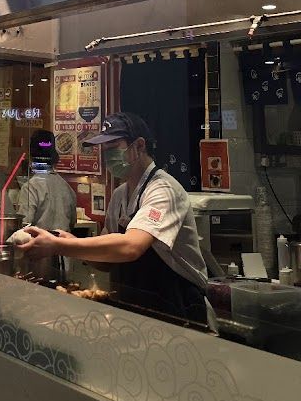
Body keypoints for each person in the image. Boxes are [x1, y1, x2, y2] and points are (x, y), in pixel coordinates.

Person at [23, 112, 208, 324]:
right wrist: (72, 243)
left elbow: (131, 246)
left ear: (138, 146)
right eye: (104, 149)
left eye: (113, 147)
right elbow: (106, 263)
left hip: (177, 310)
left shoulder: (163, 189)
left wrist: (57, 246)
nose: (106, 155)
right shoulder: (120, 195)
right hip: (135, 309)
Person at [16, 130, 77, 232]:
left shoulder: (30, 188)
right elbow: (72, 222)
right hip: (64, 245)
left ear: (31, 157)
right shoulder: (66, 187)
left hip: (39, 245)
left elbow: (24, 226)